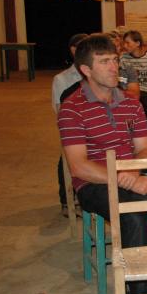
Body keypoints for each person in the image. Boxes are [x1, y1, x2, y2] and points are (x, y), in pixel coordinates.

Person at [59, 34, 147, 294]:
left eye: (115, 60)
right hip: (94, 183)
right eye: (104, 62)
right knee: (134, 219)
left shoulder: (130, 104)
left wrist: (135, 172)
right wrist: (125, 180)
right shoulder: (72, 108)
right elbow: (79, 165)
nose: (114, 67)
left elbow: (143, 147)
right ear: (86, 70)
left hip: (132, 174)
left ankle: (144, 277)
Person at [52, 33, 88, 217]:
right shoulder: (62, 79)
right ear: (74, 50)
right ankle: (66, 199)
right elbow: (61, 113)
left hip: (93, 128)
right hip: (75, 130)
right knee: (68, 154)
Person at [120, 30, 147, 146]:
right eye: (124, 43)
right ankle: (131, 142)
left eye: (128, 43)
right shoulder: (124, 59)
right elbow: (122, 80)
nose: (125, 46)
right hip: (130, 93)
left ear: (137, 43)